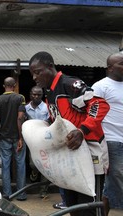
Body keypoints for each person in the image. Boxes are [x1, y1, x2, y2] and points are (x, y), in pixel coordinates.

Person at [29, 51, 109, 216]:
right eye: (32, 74)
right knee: (73, 207)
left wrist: (82, 131)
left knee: (89, 207)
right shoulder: (49, 93)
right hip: (71, 158)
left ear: (50, 67)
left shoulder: (70, 84)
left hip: (90, 154)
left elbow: (99, 104)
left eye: (37, 72)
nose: (34, 78)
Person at [92, 52, 123, 216]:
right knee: (117, 175)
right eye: (122, 64)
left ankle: (103, 212)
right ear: (110, 68)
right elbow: (92, 114)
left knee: (110, 183)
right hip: (111, 140)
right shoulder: (100, 86)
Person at [0, 77, 27, 201]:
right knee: (20, 164)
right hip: (17, 137)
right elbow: (20, 118)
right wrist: (20, 137)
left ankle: (7, 194)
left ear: (4, 86)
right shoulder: (20, 98)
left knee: (5, 165)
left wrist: (0, 131)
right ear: (15, 85)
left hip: (5, 137)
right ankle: (21, 194)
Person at [25, 86, 51, 199]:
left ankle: (43, 190)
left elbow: (50, 121)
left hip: (44, 140)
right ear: (30, 94)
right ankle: (34, 172)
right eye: (34, 94)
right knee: (33, 163)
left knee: (45, 165)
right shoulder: (25, 108)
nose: (36, 97)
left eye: (38, 95)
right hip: (32, 140)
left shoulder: (46, 108)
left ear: (42, 95)